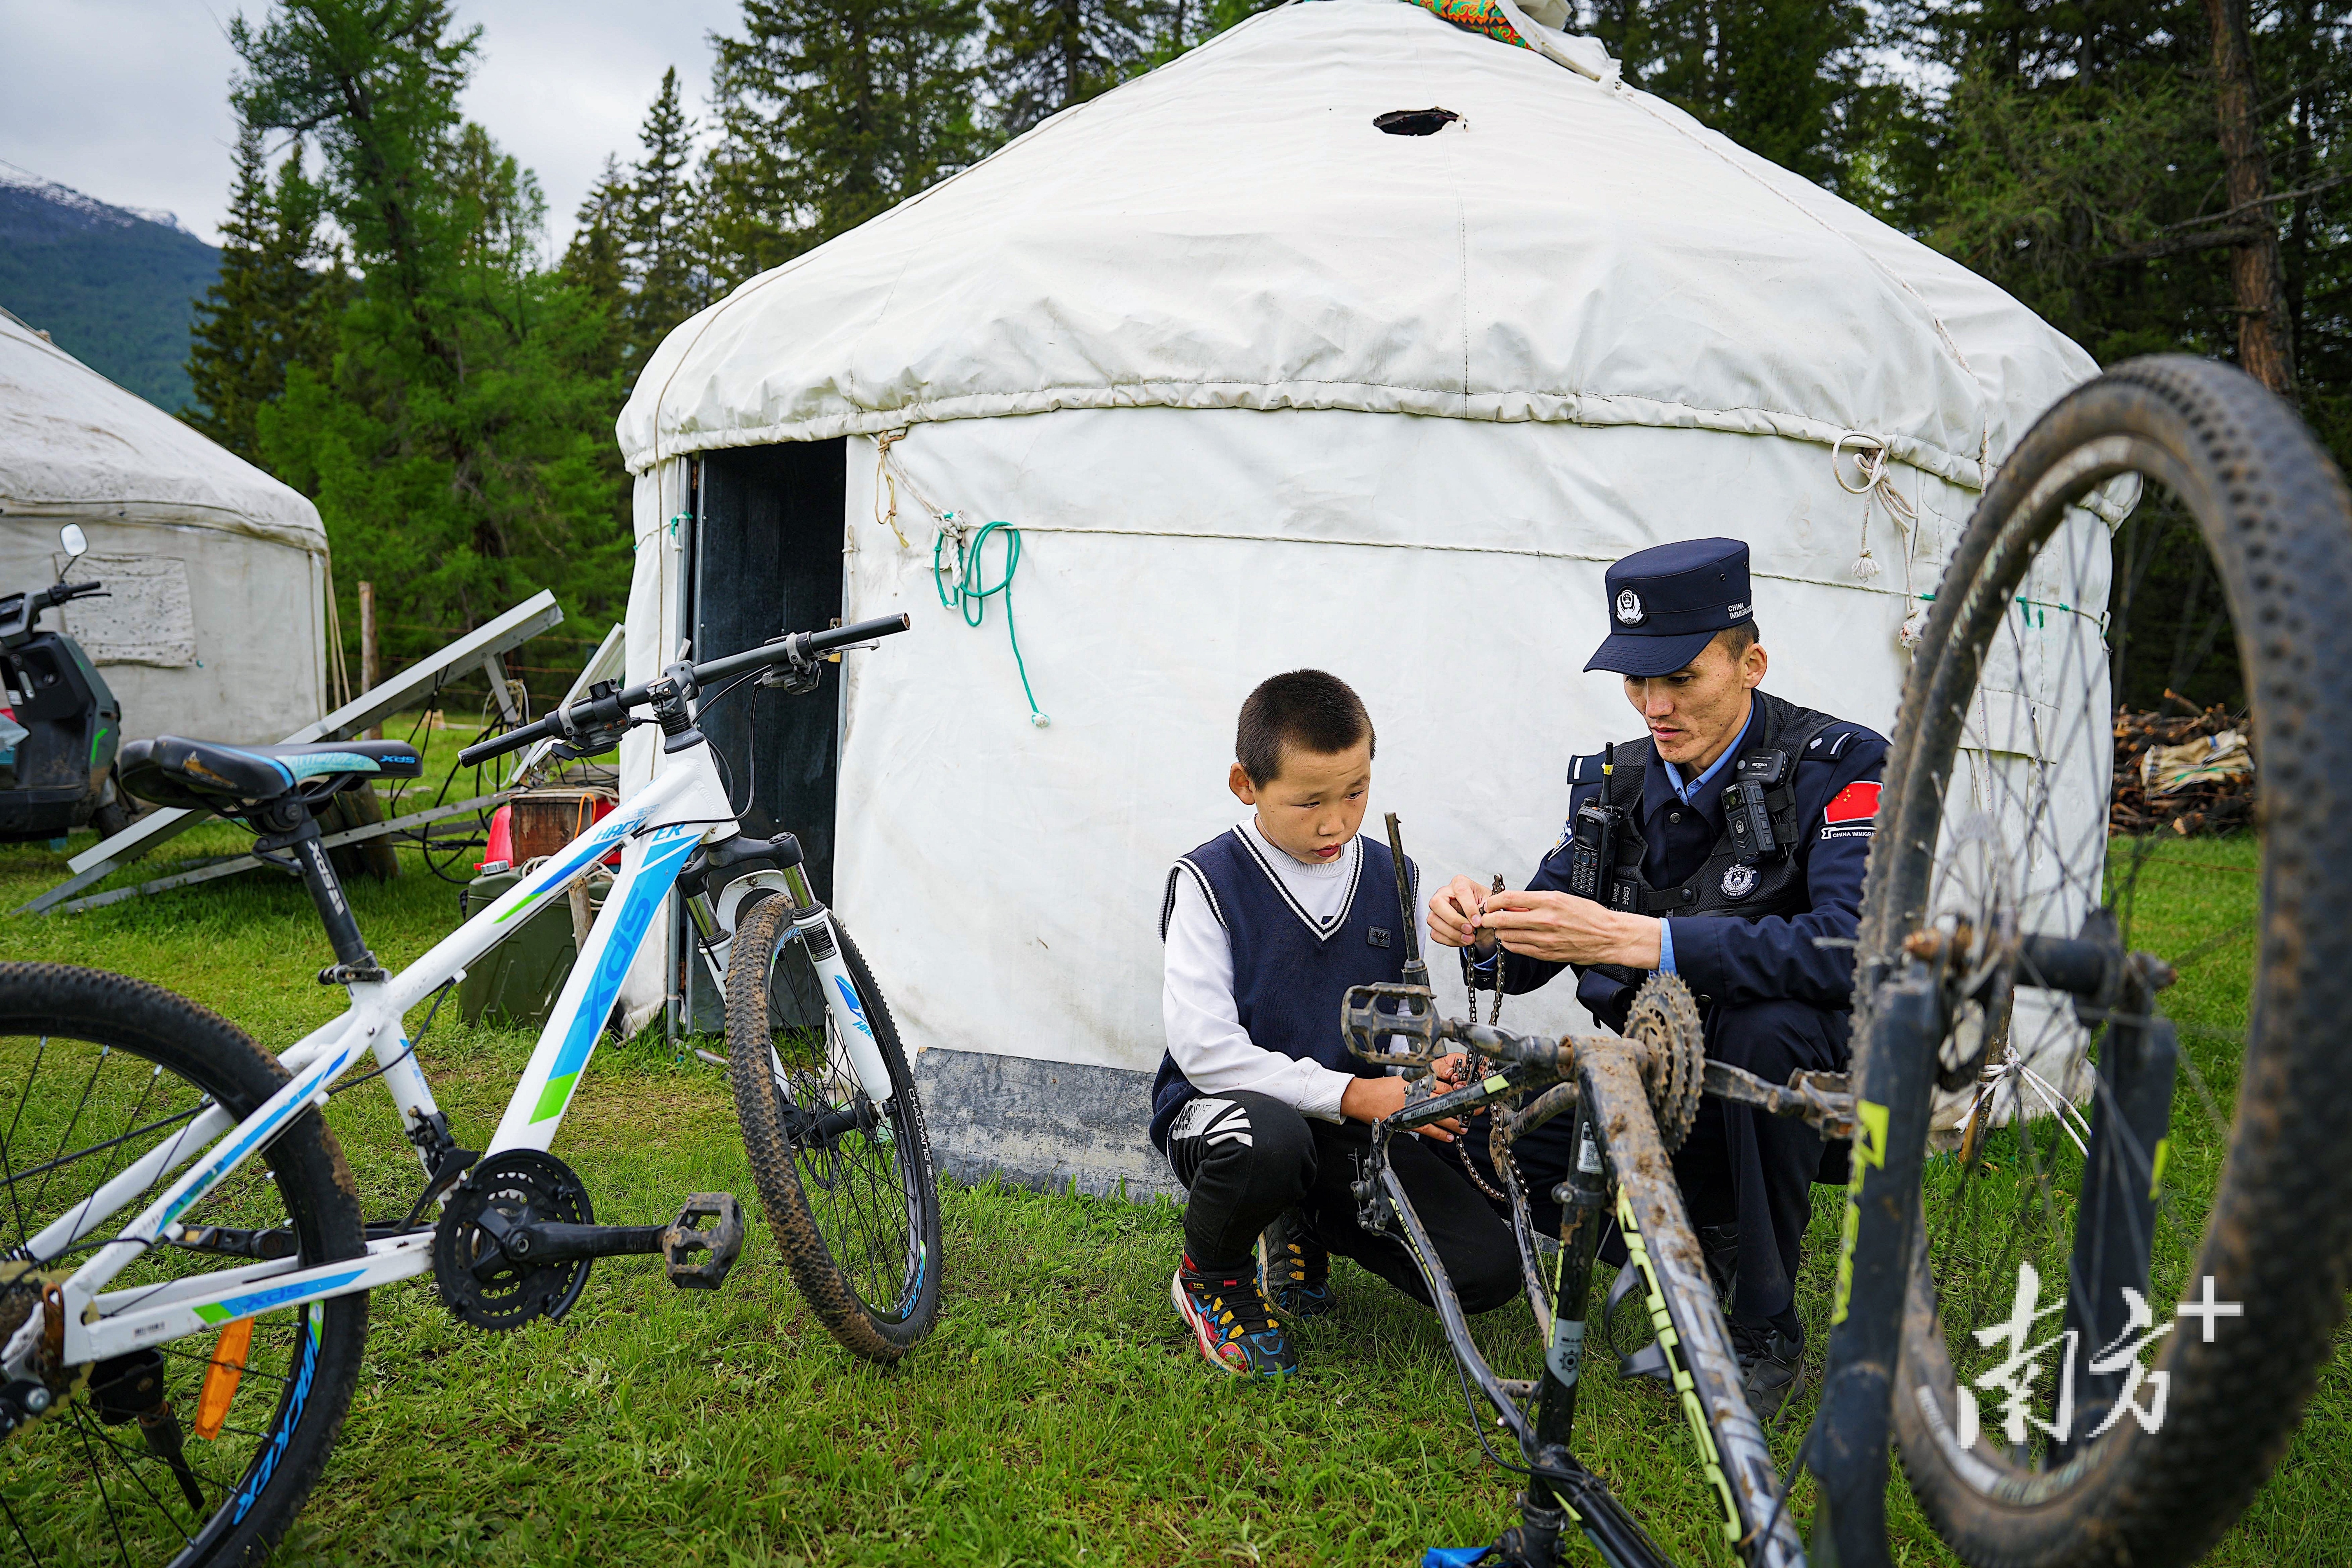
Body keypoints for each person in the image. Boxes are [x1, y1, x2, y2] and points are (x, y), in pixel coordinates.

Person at [1426, 538, 1885, 1421]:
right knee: (1503, 1157)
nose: (1655, 705)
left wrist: (1644, 939)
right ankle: (1705, 1228)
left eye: (1680, 678)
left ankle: (1763, 1322)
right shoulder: (1620, 778)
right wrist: (1480, 922)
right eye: (1637, 682)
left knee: (1769, 1024)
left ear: (1751, 662)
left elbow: (1850, 949)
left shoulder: (1843, 763)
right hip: (1652, 1080)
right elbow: (1532, 947)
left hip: (1797, 1089)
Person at [1151, 669, 1522, 1378]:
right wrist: (1355, 1095)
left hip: (1355, 1123)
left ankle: (1307, 1216)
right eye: (1309, 801)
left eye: (1356, 792)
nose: (1336, 822)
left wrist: (1428, 1071)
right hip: (1229, 1119)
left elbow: (1398, 1023)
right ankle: (1211, 1278)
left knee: (1487, 1271)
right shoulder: (1207, 880)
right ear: (1245, 785)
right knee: (1271, 1139)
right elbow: (1204, 1051)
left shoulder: (1394, 874)